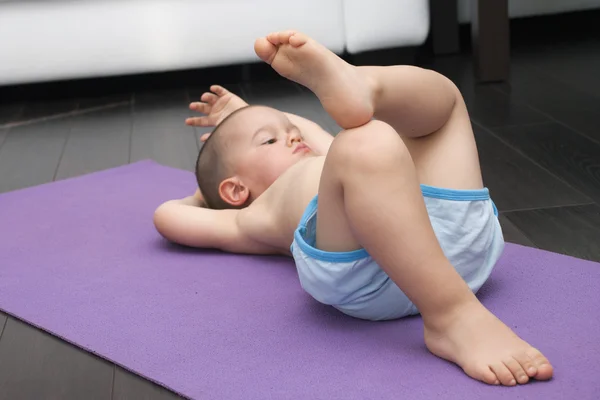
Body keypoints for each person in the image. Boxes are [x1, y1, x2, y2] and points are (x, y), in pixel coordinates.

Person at [154, 30, 553, 386]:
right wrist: (201, 197)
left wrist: (249, 116)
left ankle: (366, 85)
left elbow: (319, 129)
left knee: (443, 100)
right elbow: (169, 217)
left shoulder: (325, 153)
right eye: (270, 141)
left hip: (456, 241)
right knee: (368, 141)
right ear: (236, 189)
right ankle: (452, 317)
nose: (294, 138)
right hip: (371, 274)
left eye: (292, 131)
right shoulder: (251, 218)